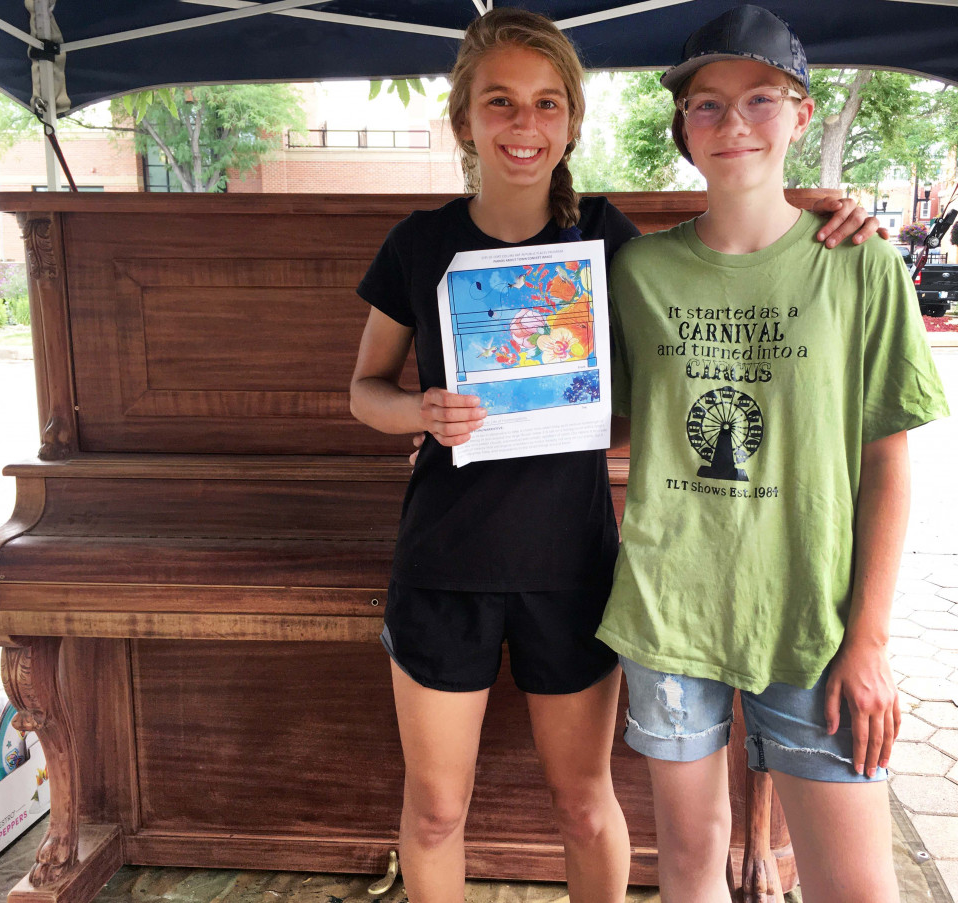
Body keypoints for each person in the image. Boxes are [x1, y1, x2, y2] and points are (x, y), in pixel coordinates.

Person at [350, 8, 882, 903]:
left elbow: (701, 300)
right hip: (443, 566)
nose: (525, 125)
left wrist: (820, 208)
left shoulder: (613, 242)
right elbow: (364, 390)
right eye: (501, 103)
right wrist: (419, 410)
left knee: (585, 803)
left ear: (571, 121)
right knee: (436, 812)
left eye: (547, 103)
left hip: (576, 567)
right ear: (465, 119)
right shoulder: (419, 242)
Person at [595, 6, 950, 902]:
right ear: (683, 128)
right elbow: (619, 423)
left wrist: (868, 639)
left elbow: (886, 460)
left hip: (812, 618)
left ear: (800, 111)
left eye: (759, 99)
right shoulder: (640, 273)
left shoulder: (862, 263)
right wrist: (480, 425)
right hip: (671, 607)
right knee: (688, 864)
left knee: (857, 886)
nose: (734, 123)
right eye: (707, 106)